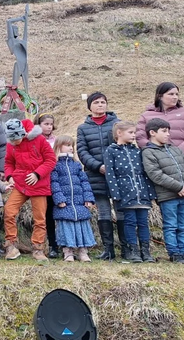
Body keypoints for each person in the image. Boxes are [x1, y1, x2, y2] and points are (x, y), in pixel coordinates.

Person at [136, 82, 184, 263]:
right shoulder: (147, 115)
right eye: (171, 94)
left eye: (177, 94)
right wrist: (164, 156)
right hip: (164, 172)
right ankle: (179, 252)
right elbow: (141, 138)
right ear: (160, 95)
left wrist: (176, 154)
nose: (175, 97)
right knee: (173, 215)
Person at [141, 118, 184, 264]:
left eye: (168, 131)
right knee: (171, 225)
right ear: (152, 133)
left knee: (183, 225)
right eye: (164, 131)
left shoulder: (175, 149)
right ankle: (175, 253)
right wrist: (178, 187)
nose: (168, 134)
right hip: (168, 197)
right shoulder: (148, 152)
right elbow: (156, 174)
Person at [76, 92, 123, 260]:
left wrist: (112, 167)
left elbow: (123, 146)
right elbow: (82, 151)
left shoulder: (117, 124)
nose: (100, 105)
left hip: (118, 176)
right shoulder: (83, 128)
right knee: (103, 213)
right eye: (96, 102)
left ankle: (126, 249)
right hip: (96, 175)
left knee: (121, 212)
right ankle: (108, 250)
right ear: (90, 106)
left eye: (103, 102)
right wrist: (98, 166)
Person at [2, 118, 56, 261]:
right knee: (9, 211)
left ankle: (38, 249)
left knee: (39, 218)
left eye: (16, 139)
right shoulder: (10, 144)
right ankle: (11, 245)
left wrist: (38, 174)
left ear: (23, 134)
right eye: (11, 140)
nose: (13, 143)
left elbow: (50, 159)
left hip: (39, 184)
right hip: (20, 183)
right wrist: (9, 176)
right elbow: (8, 162)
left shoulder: (39, 140)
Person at [104, 122, 157, 263]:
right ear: (119, 133)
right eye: (131, 132)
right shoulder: (111, 150)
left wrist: (150, 192)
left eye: (134, 133)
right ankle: (133, 250)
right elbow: (110, 174)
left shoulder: (137, 150)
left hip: (142, 191)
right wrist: (115, 194)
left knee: (143, 222)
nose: (134, 135)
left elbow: (145, 172)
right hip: (125, 192)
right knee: (130, 222)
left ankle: (145, 252)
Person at [50, 135, 96, 262]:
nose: (71, 148)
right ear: (59, 147)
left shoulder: (76, 165)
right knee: (66, 227)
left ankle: (83, 252)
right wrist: (59, 199)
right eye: (68, 145)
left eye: (72, 146)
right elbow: (54, 183)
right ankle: (68, 252)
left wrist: (88, 198)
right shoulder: (54, 165)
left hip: (79, 203)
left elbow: (84, 182)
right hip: (65, 203)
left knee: (82, 227)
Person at [35, 112, 58, 258]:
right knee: (46, 214)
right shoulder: (34, 140)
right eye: (46, 124)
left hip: (56, 179)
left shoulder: (56, 140)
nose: (49, 127)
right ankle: (49, 245)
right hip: (43, 180)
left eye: (51, 124)